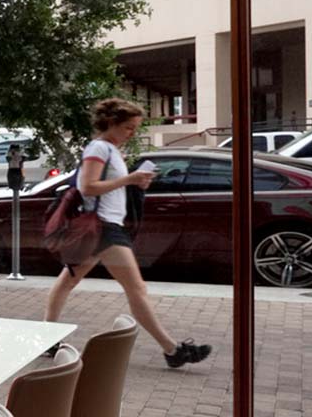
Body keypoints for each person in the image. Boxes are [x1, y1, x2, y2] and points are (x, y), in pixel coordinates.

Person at [45, 98, 212, 369]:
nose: (132, 133)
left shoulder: (109, 149)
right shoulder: (99, 147)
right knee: (136, 288)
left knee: (69, 281)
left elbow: (103, 187)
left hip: (103, 228)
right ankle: (172, 350)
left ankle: (47, 335)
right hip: (103, 229)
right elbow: (88, 187)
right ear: (111, 123)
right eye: (128, 128)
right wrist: (130, 179)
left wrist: (135, 183)